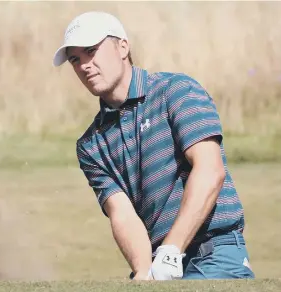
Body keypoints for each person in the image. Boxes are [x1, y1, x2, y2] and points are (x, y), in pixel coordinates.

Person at [52, 11, 255, 280]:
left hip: (215, 254)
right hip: (159, 263)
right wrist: (143, 271)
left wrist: (171, 251)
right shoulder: (91, 144)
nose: (84, 65)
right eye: (75, 59)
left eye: (91, 51)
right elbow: (122, 214)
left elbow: (210, 171)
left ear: (123, 47)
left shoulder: (177, 91)